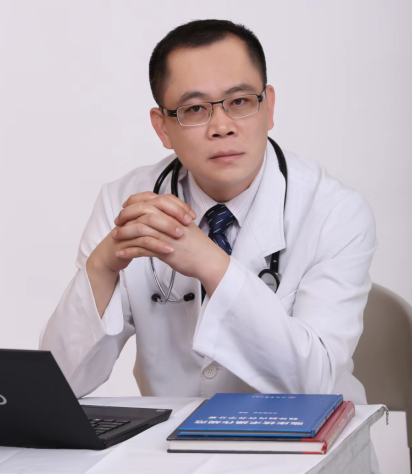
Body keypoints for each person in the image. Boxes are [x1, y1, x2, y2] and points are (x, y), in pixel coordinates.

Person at [40, 20, 377, 408]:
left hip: (307, 440)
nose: (221, 127)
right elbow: (56, 387)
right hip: (171, 439)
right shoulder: (125, 204)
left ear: (268, 107)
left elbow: (315, 383)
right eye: (195, 109)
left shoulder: (334, 212)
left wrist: (210, 264)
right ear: (162, 128)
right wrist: (101, 267)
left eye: (240, 102)